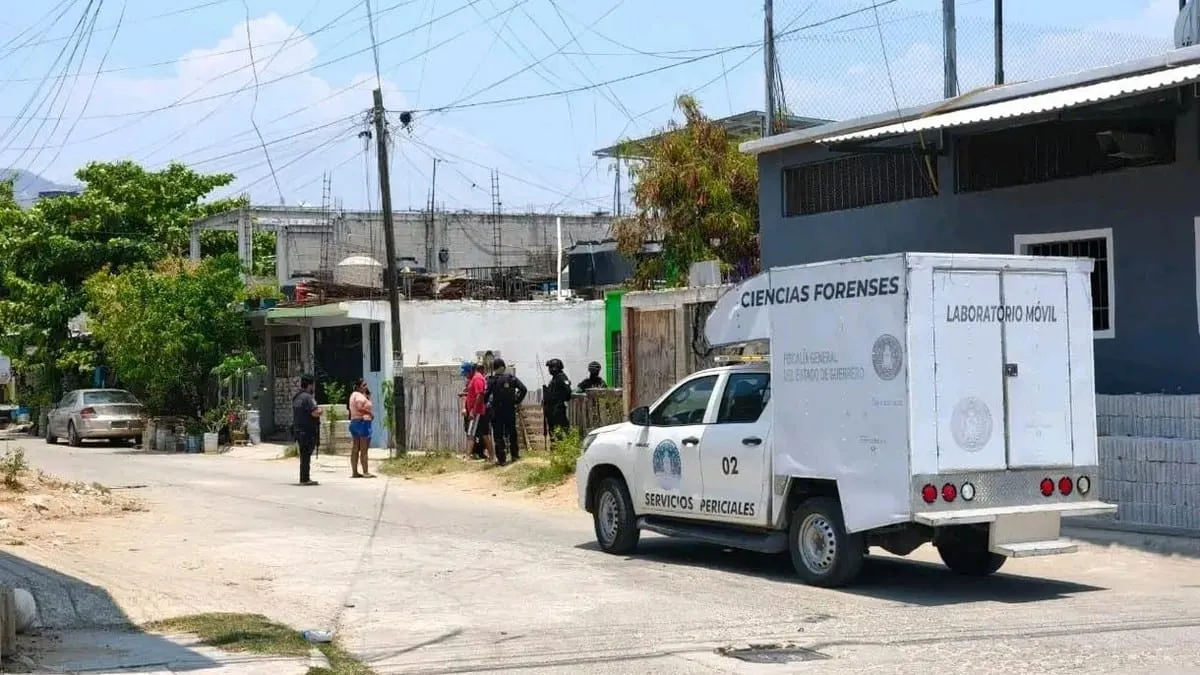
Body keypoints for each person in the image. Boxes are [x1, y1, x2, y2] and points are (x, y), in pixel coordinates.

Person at [486, 358, 527, 465]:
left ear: (494, 368)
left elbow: (485, 395)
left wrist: (485, 405)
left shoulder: (491, 380)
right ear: (503, 367)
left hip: (497, 411)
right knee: (512, 432)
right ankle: (515, 455)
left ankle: (502, 459)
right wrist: (516, 401)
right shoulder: (511, 378)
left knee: (499, 435)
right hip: (509, 410)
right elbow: (523, 389)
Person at [292, 374, 324, 486]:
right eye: (313, 385)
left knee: (303, 455)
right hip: (307, 431)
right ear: (310, 385)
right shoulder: (308, 398)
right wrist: (320, 411)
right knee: (306, 455)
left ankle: (303, 477)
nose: (314, 388)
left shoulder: (296, 397)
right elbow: (314, 412)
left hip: (298, 430)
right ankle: (305, 479)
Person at [464, 363, 494, 461]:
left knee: (472, 433)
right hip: (479, 411)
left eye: (467, 373)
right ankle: (492, 456)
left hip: (477, 412)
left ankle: (468, 456)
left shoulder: (477, 379)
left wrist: (473, 411)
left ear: (472, 370)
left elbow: (480, 395)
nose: (466, 376)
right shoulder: (477, 378)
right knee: (483, 433)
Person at [348, 378, 375, 478]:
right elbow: (359, 407)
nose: (366, 387)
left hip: (354, 422)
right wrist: (369, 413)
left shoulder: (354, 395)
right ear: (359, 387)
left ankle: (355, 472)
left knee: (355, 448)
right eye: (364, 385)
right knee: (364, 449)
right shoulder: (359, 396)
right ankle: (365, 471)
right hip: (362, 422)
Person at [542, 358, 572, 439]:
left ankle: (561, 448)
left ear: (556, 367)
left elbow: (568, 392)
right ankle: (555, 448)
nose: (549, 370)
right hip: (552, 410)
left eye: (550, 367)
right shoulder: (555, 378)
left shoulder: (561, 377)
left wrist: (559, 403)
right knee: (553, 431)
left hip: (558, 410)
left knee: (560, 431)